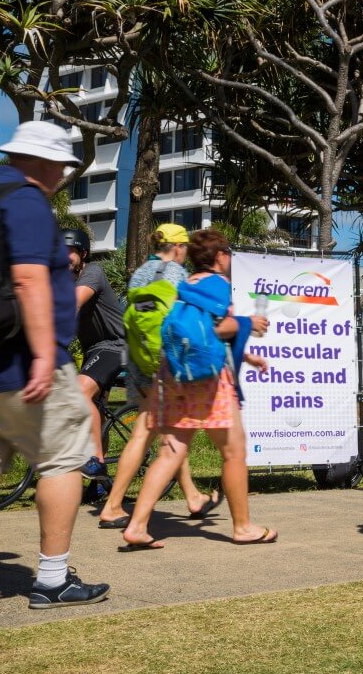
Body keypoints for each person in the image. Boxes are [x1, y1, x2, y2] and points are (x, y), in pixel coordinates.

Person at [0, 121, 109, 607]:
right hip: (23, 363)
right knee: (63, 460)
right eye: (60, 165)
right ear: (41, 162)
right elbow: (29, 280)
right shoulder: (26, 200)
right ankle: (54, 580)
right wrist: (43, 356)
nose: (62, 174)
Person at [121, 230, 274, 549]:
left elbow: (197, 334)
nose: (229, 259)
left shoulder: (185, 284)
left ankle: (137, 525)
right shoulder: (217, 285)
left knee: (171, 450)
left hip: (174, 372)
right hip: (208, 380)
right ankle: (243, 527)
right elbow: (218, 329)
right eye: (228, 253)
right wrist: (249, 323)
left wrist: (246, 355)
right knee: (234, 451)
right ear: (219, 257)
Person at [97, 224, 222, 529]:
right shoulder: (177, 275)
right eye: (184, 248)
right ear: (178, 247)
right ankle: (113, 506)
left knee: (171, 435)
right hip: (165, 366)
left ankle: (192, 496)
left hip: (140, 366)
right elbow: (181, 325)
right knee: (147, 435)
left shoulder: (140, 274)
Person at [63, 227, 127, 480]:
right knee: (95, 411)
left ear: (83, 254)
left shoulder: (93, 273)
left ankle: (96, 460)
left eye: (71, 252)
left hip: (115, 345)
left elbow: (73, 304)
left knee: (81, 394)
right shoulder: (60, 281)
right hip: (93, 350)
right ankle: (100, 483)